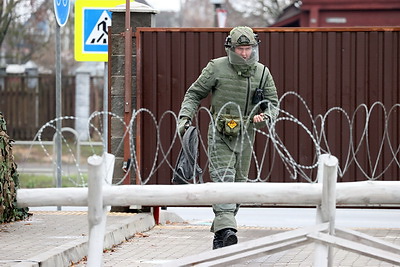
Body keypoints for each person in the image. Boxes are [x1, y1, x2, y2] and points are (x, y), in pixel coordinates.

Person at [177, 26, 279, 249]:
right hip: (220, 134)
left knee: (238, 186)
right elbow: (194, 94)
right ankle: (228, 231)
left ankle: (222, 234)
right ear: (231, 48)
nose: (245, 53)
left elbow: (273, 102)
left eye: (249, 48)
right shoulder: (216, 68)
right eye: (241, 48)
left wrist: (267, 115)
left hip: (247, 134)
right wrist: (184, 118)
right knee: (224, 181)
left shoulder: (262, 73)